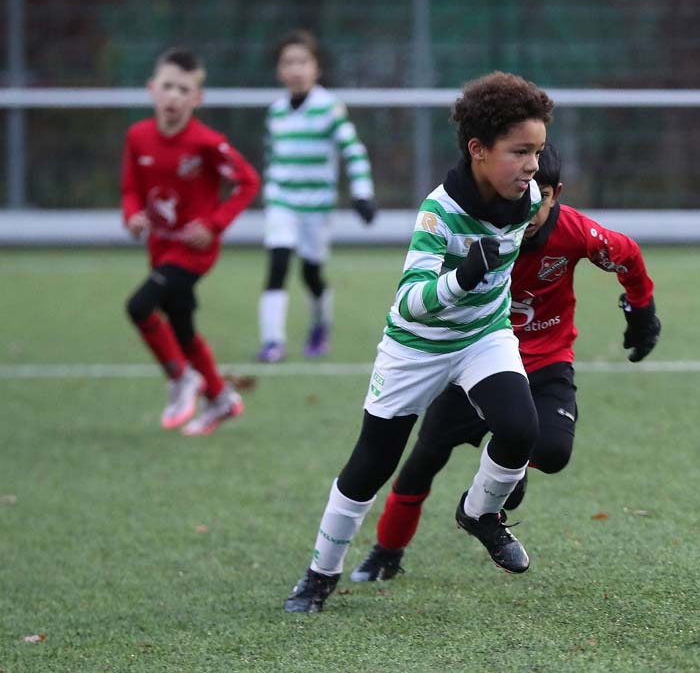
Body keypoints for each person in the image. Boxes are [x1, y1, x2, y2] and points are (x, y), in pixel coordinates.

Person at [283, 71, 554, 613]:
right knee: (370, 466)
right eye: (520, 152)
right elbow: (408, 299)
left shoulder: (524, 197)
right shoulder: (438, 213)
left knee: (522, 428)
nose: (532, 167)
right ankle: (319, 575)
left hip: (484, 335)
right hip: (416, 347)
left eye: (539, 152)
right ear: (478, 150)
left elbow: (523, 242)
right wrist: (459, 279)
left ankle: (480, 513)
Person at [349, 143, 661, 582]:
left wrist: (641, 310)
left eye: (543, 195)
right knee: (424, 458)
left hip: (545, 360)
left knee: (551, 451)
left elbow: (625, 254)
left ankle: (498, 484)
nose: (531, 209)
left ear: (555, 194)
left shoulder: (574, 233)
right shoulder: (480, 231)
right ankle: (386, 550)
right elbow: (426, 283)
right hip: (474, 358)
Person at [121, 47, 260, 436]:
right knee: (182, 327)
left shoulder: (207, 143)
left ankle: (181, 378)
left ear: (196, 99)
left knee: (140, 306)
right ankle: (220, 399)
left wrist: (214, 224)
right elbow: (131, 188)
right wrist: (131, 216)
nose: (174, 97)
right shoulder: (138, 137)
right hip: (161, 250)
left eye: (184, 90)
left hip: (193, 253)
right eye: (167, 87)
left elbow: (248, 182)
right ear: (152, 89)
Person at [257, 30, 377, 362]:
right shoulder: (276, 112)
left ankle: (320, 324)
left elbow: (353, 151)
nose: (295, 69)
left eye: (302, 61)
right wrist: (270, 192)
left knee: (310, 273)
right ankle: (272, 341)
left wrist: (362, 194)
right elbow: (272, 156)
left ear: (316, 68)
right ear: (280, 71)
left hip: (316, 207)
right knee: (278, 263)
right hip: (283, 203)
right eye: (288, 62)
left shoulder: (328, 108)